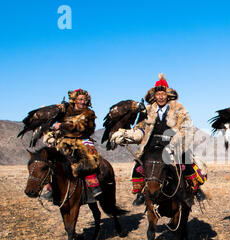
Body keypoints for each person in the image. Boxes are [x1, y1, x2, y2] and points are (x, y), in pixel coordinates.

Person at [110, 74, 207, 205]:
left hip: (173, 143)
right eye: (158, 94)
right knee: (139, 166)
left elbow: (186, 128)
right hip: (151, 145)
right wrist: (127, 136)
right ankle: (141, 193)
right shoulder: (147, 110)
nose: (161, 96)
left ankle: (196, 190)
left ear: (167, 95)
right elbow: (141, 129)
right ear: (154, 96)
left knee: (187, 162)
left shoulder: (179, 109)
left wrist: (175, 143)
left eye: (163, 94)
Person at [43, 89, 103, 201]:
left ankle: (94, 186)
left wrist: (61, 125)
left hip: (82, 138)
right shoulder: (66, 110)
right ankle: (51, 188)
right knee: (52, 159)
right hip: (65, 139)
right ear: (74, 100)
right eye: (80, 99)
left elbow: (80, 125)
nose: (83, 102)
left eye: (85, 100)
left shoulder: (89, 113)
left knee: (91, 158)